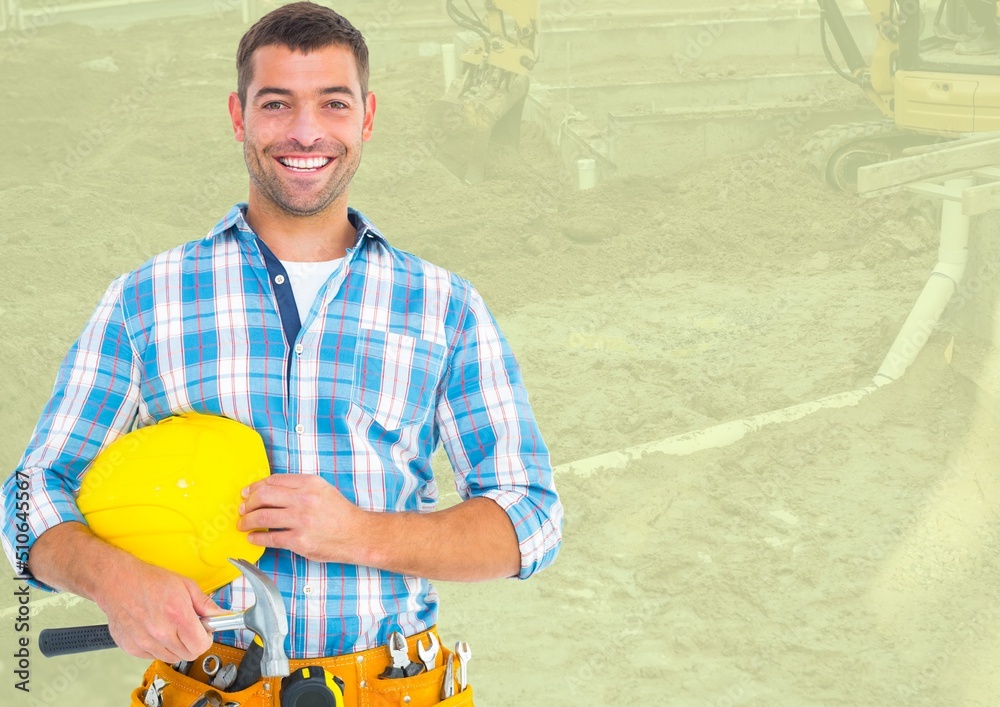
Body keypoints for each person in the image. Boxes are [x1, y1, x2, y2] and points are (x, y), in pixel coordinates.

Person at [0, 2, 562, 704]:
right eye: (277, 104)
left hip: (395, 690)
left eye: (333, 103)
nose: (305, 131)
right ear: (239, 117)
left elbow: (531, 517)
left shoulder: (444, 306)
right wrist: (117, 580)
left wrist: (359, 532)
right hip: (207, 687)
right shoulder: (147, 299)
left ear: (367, 117)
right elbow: (28, 495)